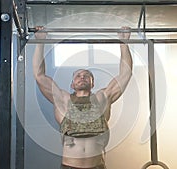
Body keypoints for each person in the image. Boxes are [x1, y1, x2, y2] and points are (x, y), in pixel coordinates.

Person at [33, 26, 133, 169]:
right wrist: (40, 42)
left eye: (87, 75)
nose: (82, 77)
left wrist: (123, 43)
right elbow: (39, 76)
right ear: (72, 84)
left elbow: (125, 75)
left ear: (92, 83)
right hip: (70, 166)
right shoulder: (63, 100)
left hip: (97, 166)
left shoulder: (102, 98)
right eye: (78, 76)